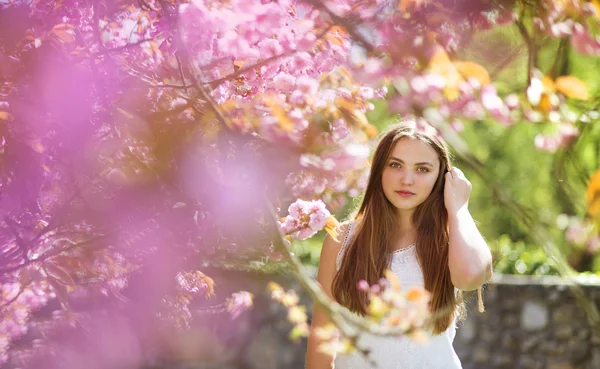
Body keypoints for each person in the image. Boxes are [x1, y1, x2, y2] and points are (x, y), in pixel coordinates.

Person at [305, 121, 493, 369]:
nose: (407, 179)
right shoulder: (341, 240)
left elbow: (472, 276)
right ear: (379, 170)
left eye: (422, 169)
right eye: (395, 165)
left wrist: (458, 208)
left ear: (441, 178)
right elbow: (322, 338)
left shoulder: (451, 240)